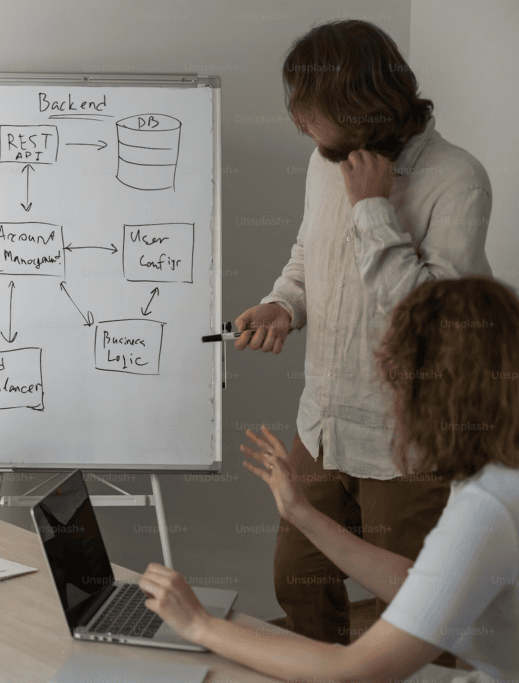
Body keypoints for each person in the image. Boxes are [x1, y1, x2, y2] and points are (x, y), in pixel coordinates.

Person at [231, 19, 493, 655]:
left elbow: (433, 317)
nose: (301, 125)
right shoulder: (326, 164)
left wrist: (373, 208)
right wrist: (280, 306)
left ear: (360, 105)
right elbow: (307, 255)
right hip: (321, 424)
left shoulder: (459, 178)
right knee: (298, 582)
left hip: (409, 441)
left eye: (311, 112)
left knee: (409, 612)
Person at [140, 275, 519, 680]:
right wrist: (302, 513)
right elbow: (419, 580)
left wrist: (200, 625)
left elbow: (350, 670)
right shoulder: (497, 475)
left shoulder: (487, 506)